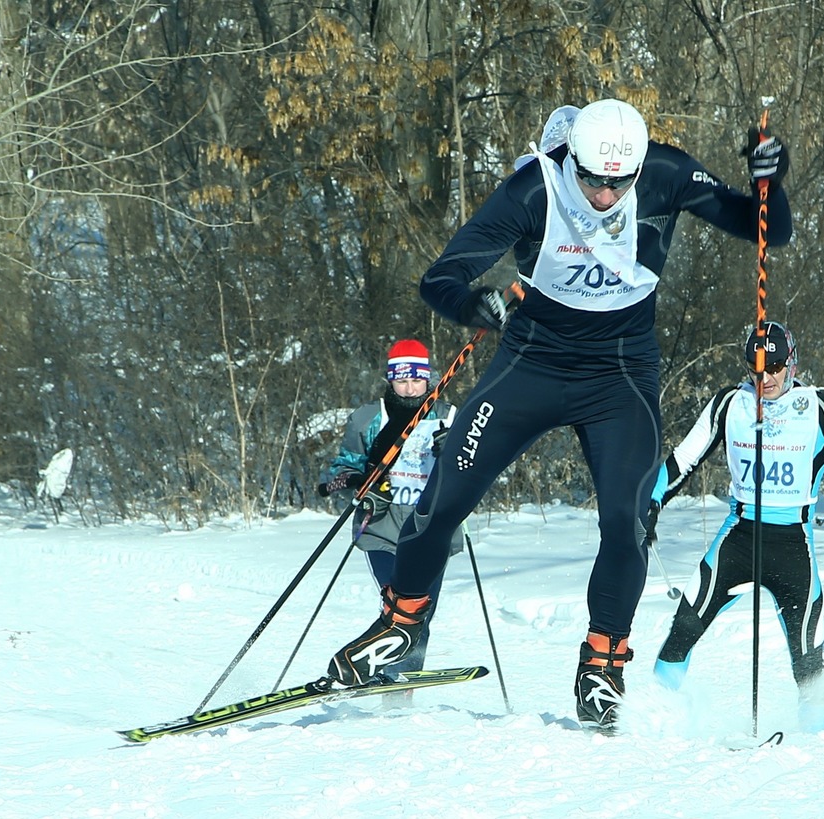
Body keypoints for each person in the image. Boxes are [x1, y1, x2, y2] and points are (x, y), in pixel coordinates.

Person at [324, 97, 794, 730]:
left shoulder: (665, 173)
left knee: (627, 521)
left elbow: (770, 229)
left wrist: (771, 182)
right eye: (592, 178)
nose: (604, 194)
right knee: (444, 494)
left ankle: (603, 665)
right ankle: (403, 625)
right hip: (533, 364)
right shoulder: (534, 187)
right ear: (570, 156)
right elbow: (442, 276)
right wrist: (472, 304)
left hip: (621, 375)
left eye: (617, 181)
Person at [648, 321, 824, 733]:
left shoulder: (820, 406)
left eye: (774, 367)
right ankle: (651, 720)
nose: (765, 378)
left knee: (808, 660)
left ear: (791, 363)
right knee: (684, 627)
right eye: (757, 369)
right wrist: (652, 502)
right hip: (738, 539)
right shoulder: (729, 405)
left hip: (793, 546)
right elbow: (681, 460)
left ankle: (815, 743)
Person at [318, 339, 461, 680]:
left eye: (417, 380)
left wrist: (455, 453)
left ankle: (400, 686)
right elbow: (337, 472)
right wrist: (363, 481)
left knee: (420, 612)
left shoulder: (452, 417)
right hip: (380, 527)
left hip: (431, 528)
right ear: (390, 379)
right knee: (398, 608)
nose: (410, 388)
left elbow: (479, 471)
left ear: (429, 378)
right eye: (402, 380)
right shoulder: (369, 418)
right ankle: (390, 674)